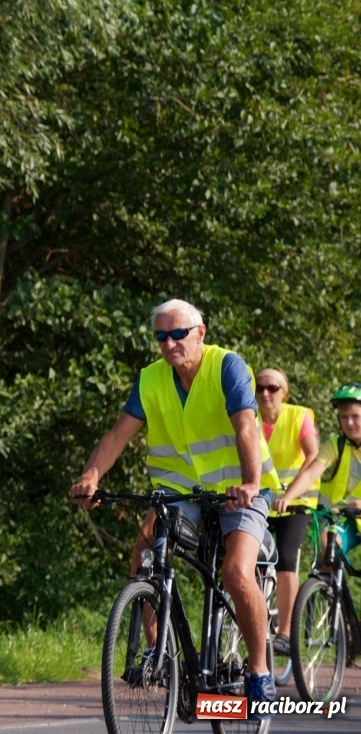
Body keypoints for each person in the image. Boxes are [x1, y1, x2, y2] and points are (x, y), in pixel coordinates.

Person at [69, 299, 279, 703]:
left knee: (236, 573)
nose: (169, 343)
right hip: (180, 488)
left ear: (201, 333)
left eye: (178, 334)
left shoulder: (227, 366)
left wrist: (251, 482)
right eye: (161, 336)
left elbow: (246, 429)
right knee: (145, 551)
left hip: (237, 488)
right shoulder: (150, 378)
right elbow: (117, 435)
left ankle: (258, 670)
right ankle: (158, 652)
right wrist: (91, 476)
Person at [256, 368, 321, 655]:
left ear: (284, 392)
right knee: (245, 556)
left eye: (272, 387)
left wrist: (289, 494)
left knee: (285, 557)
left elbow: (313, 455)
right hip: (262, 501)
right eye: (260, 387)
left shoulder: (298, 416)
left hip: (296, 503)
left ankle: (285, 632)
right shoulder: (249, 417)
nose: (265, 393)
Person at [278, 384, 361, 562]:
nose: (349, 423)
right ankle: (330, 578)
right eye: (344, 417)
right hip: (346, 517)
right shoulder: (337, 444)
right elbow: (310, 475)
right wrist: (288, 497)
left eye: (355, 417)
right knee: (327, 545)